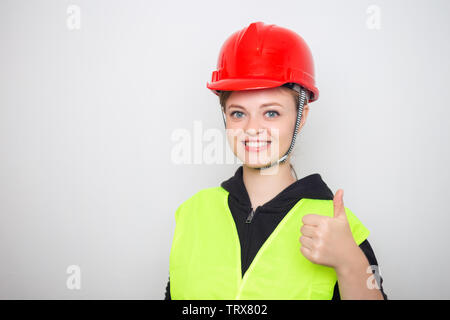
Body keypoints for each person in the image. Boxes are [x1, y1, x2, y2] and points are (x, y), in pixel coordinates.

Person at [165, 21, 388, 300]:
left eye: (271, 113)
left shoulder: (337, 226)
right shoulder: (192, 212)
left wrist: (351, 263)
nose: (252, 128)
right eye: (238, 113)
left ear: (301, 117)